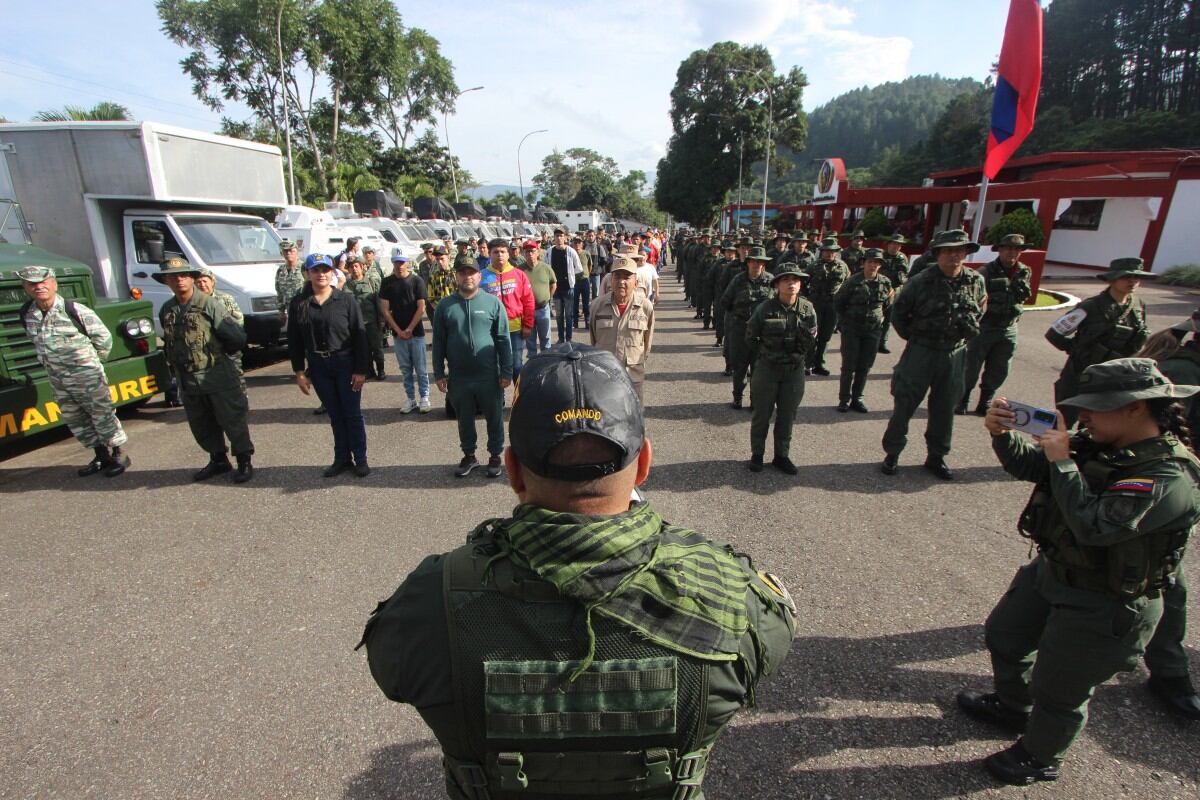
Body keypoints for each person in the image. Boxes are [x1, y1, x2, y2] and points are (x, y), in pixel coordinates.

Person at [360, 344, 797, 800]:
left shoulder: (432, 604)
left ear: (513, 471)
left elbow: (392, 667)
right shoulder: (731, 597)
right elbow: (776, 633)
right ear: (644, 464)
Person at [960, 358, 1200, 784]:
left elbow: (1095, 527)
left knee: (1060, 687)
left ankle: (1040, 756)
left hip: (1106, 599)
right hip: (1055, 571)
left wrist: (1063, 463)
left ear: (1136, 408)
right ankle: (1015, 708)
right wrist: (1003, 437)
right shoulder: (1100, 443)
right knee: (1006, 636)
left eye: (1096, 406)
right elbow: (1033, 468)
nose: (1084, 415)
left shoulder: (1167, 475)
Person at [880, 229, 986, 480]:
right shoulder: (920, 281)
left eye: (959, 251)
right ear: (937, 253)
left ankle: (936, 456)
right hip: (922, 352)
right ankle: (893, 452)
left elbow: (980, 309)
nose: (954, 255)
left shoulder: (975, 280)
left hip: (954, 353)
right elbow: (898, 314)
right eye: (948, 251)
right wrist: (917, 338)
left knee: (945, 408)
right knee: (905, 403)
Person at [18, 265, 130, 477]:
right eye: (32, 284)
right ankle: (101, 455)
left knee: (102, 414)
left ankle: (119, 454)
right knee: (76, 418)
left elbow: (103, 339)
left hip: (86, 376)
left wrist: (91, 364)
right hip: (57, 379)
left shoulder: (74, 310)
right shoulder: (28, 313)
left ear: (54, 284)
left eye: (43, 282)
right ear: (25, 287)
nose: (39, 287)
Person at [156, 257, 254, 483]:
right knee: (201, 423)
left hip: (216, 374)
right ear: (166, 281)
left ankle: (244, 461)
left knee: (232, 420)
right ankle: (218, 460)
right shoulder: (167, 309)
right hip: (188, 378)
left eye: (184, 275)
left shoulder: (210, 304)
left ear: (191, 278)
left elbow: (236, 338)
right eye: (173, 277)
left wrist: (217, 358)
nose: (179, 280)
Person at [288, 254, 370, 477]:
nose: (321, 274)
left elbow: (360, 337)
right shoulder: (299, 304)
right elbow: (294, 340)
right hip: (319, 366)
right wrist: (299, 372)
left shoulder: (346, 300)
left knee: (352, 414)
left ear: (332, 272)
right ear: (308, 273)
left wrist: (361, 370)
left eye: (325, 269)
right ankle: (342, 458)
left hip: (345, 363)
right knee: (335, 414)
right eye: (316, 270)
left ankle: (360, 459)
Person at [431, 256, 513, 478]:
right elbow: (438, 342)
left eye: (472, 272)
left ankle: (495, 456)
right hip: (459, 377)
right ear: (456, 276)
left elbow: (503, 339)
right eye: (463, 273)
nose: (467, 277)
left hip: (489, 375)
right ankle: (469, 455)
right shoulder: (445, 306)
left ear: (479, 275)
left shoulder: (493, 303)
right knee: (464, 419)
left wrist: (506, 371)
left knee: (494, 417)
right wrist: (439, 373)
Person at [1047, 257, 1151, 428]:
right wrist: (1077, 350)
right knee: (1064, 422)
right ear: (1112, 279)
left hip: (1114, 376)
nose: (1132, 281)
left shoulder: (1138, 306)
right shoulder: (1090, 306)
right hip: (1081, 374)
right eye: (1126, 277)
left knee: (1099, 426)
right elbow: (1054, 334)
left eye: (1136, 277)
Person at [745, 264, 818, 474]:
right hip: (767, 369)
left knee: (787, 415)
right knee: (762, 415)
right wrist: (767, 355)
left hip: (794, 371)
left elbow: (813, 337)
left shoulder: (807, 309)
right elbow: (750, 336)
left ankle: (781, 455)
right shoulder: (765, 308)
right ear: (777, 285)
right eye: (786, 280)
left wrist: (800, 358)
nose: (791, 284)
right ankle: (757, 454)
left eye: (795, 280)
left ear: (800, 284)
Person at [958, 233, 1034, 415]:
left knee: (1000, 367)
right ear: (999, 250)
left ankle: (985, 400)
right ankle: (962, 398)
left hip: (1008, 327)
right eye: (1008, 248)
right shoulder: (985, 272)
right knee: (971, 366)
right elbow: (973, 299)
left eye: (1017, 249)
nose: (1012, 253)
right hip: (985, 327)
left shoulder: (1024, 271)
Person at [833, 248, 893, 413]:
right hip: (852, 328)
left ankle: (857, 398)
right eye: (870, 262)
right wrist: (847, 321)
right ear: (863, 263)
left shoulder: (885, 282)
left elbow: (887, 304)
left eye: (876, 263)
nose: (873, 265)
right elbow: (839, 302)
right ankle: (844, 399)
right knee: (849, 365)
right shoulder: (853, 281)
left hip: (873, 330)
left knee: (865, 366)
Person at [589, 255, 654, 403]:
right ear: (611, 280)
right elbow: (593, 340)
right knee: (607, 413)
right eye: (617, 277)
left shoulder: (645, 307)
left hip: (633, 376)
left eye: (626, 277)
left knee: (634, 413)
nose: (621, 282)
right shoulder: (597, 306)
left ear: (635, 282)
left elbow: (647, 344)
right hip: (605, 375)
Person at [721, 246, 775, 409]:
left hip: (762, 332)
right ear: (748, 262)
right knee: (740, 366)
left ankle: (755, 399)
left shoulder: (771, 281)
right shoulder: (738, 280)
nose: (756, 264)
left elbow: (777, 303)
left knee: (759, 368)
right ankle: (737, 397)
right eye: (753, 261)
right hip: (740, 329)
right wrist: (740, 315)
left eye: (760, 262)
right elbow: (726, 301)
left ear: (764, 264)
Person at [379, 252, 431, 414]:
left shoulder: (417, 281)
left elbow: (421, 307)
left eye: (402, 262)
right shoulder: (387, 282)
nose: (399, 266)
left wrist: (409, 328)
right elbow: (385, 310)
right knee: (405, 369)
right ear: (392, 262)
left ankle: (424, 397)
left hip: (416, 333)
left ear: (407, 262)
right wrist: (398, 330)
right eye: (396, 262)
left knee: (421, 369)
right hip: (398, 335)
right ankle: (411, 398)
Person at [480, 239, 535, 379]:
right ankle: (498, 394)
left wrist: (528, 325)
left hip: (515, 329)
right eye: (496, 252)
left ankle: (519, 393)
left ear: (508, 254)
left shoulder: (519, 274)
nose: (500, 255)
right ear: (489, 254)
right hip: (491, 330)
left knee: (517, 365)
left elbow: (528, 301)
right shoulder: (481, 276)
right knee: (495, 367)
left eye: (503, 252)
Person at [807, 238, 850, 376]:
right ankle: (808, 363)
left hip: (833, 305)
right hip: (816, 304)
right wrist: (807, 299)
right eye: (826, 251)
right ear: (822, 251)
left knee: (825, 336)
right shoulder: (813, 266)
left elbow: (847, 284)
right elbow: (803, 283)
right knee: (812, 334)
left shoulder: (843, 266)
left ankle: (819, 363)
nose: (829, 253)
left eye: (832, 251)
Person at [345, 258, 386, 381]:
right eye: (351, 267)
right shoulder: (347, 285)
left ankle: (381, 370)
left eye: (356, 266)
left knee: (377, 348)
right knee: (363, 349)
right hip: (356, 323)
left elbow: (378, 301)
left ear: (362, 267)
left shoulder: (371, 282)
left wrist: (382, 319)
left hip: (372, 321)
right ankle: (370, 371)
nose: (354, 269)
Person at [518, 241, 556, 359]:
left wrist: (548, 297)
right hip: (527, 311)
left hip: (543, 309)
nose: (530, 254)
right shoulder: (519, 270)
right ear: (523, 254)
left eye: (532, 251)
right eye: (527, 251)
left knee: (546, 339)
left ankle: (546, 361)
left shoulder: (546, 268)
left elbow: (553, 284)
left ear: (537, 252)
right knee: (530, 340)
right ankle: (532, 362)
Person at [547, 229, 582, 342]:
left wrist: (570, 275)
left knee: (569, 315)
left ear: (565, 237)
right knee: (559, 315)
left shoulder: (571, 251)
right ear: (554, 237)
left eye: (561, 235)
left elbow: (579, 268)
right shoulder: (549, 251)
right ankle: (561, 338)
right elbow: (545, 267)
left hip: (568, 288)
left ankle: (569, 338)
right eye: (557, 236)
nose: (559, 238)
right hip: (556, 289)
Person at [877, 234, 909, 354]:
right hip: (879, 290)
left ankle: (882, 342)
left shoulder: (902, 258)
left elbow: (905, 275)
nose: (896, 246)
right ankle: (871, 340)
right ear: (889, 244)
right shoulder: (881, 256)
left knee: (888, 319)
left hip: (894, 292)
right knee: (875, 317)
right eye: (894, 244)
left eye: (899, 245)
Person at [274, 239, 304, 329]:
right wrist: (281, 311)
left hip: (304, 309)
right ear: (281, 253)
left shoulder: (305, 267)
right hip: (290, 309)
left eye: (291, 251)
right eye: (285, 251)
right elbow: (279, 291)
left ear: (297, 252)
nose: (288, 253)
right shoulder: (281, 270)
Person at [571, 236, 592, 326]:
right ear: (572, 244)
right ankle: (575, 322)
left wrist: (586, 274)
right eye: (575, 243)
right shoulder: (570, 254)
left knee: (585, 302)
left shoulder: (586, 253)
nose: (577, 244)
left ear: (582, 244)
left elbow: (590, 265)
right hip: (574, 281)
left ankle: (587, 321)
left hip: (585, 281)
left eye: (579, 242)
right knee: (574, 302)